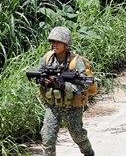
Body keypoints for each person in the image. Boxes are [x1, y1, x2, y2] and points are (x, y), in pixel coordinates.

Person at [37, 26, 95, 156]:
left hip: (72, 106)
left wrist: (64, 86)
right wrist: (44, 82)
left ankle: (89, 153)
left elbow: (86, 84)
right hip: (53, 105)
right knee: (47, 136)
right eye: (53, 42)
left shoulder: (76, 62)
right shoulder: (48, 58)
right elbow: (40, 76)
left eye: (58, 42)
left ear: (66, 44)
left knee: (78, 135)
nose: (54, 45)